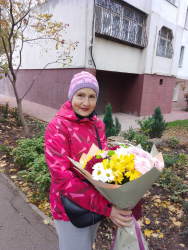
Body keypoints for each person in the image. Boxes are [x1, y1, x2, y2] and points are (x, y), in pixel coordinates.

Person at [44, 71, 141, 250]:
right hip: (69, 208)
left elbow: (101, 165)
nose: (86, 103)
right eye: (80, 95)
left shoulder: (98, 125)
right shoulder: (57, 127)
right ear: (71, 95)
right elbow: (62, 179)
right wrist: (107, 209)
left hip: (96, 204)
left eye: (92, 96)